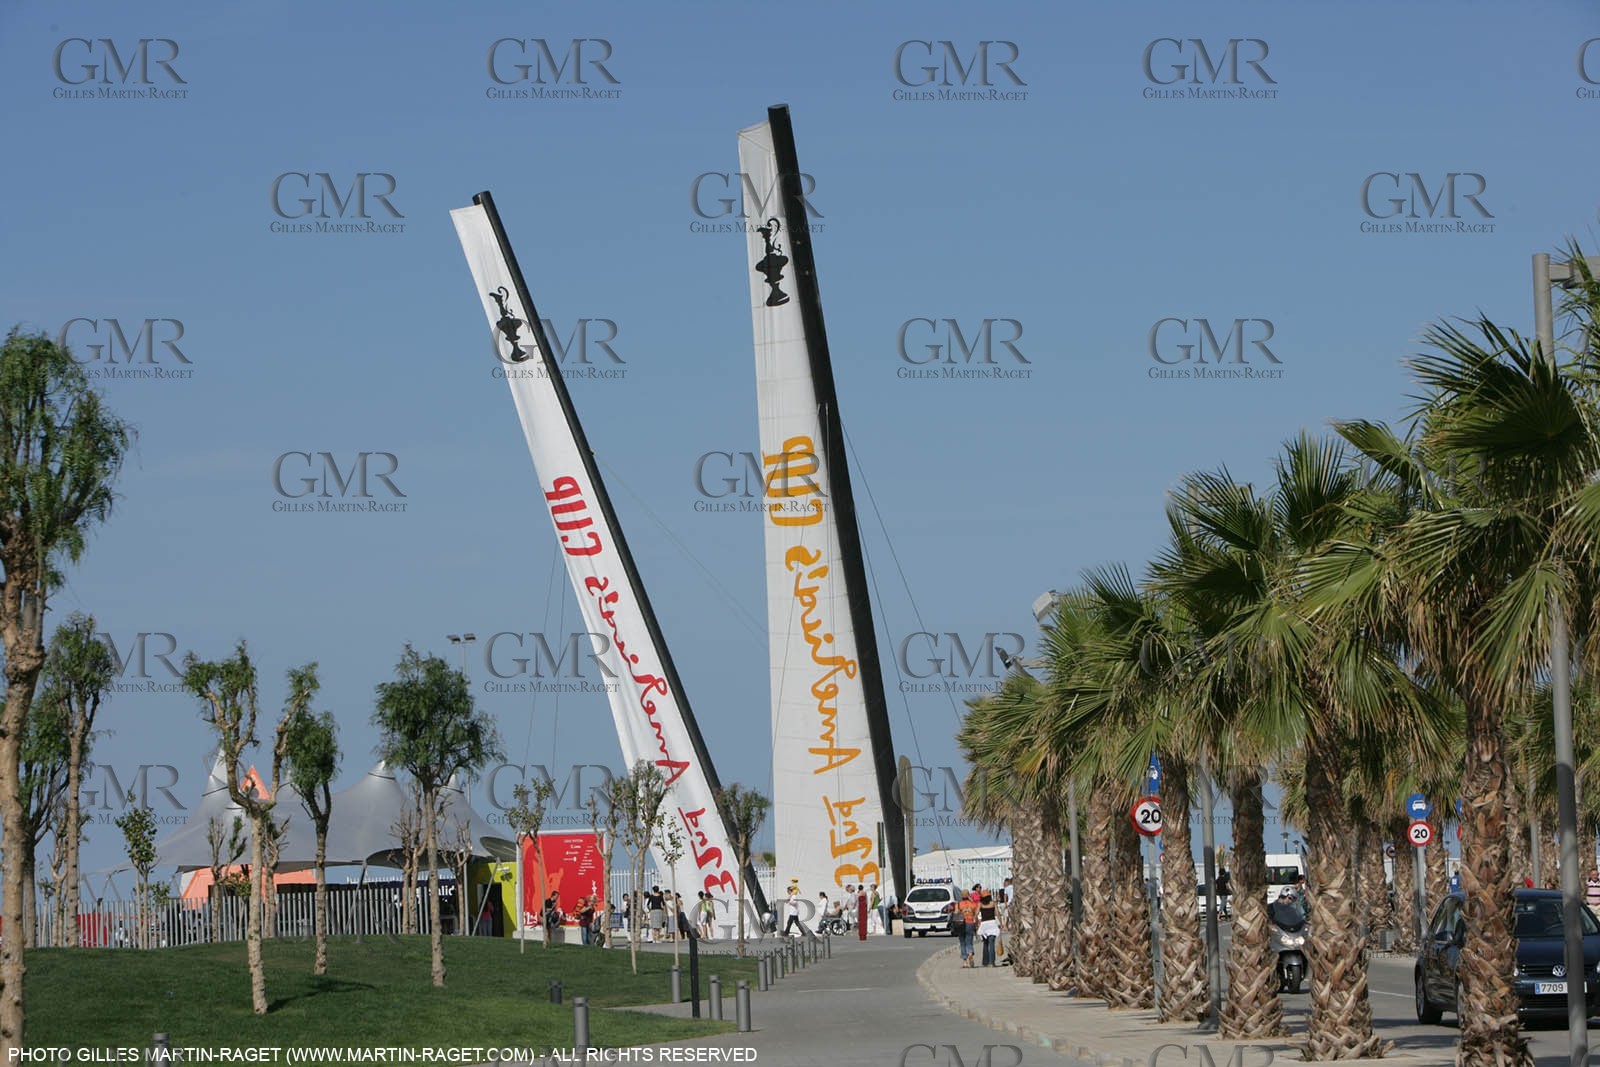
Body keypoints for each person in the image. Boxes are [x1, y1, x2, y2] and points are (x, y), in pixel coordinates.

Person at [956, 892, 980, 967]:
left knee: (962, 942)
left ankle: (965, 962)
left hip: (961, 924)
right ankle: (970, 953)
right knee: (969, 941)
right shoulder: (973, 904)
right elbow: (976, 914)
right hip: (970, 923)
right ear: (968, 896)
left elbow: (956, 912)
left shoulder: (959, 904)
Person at [977, 892, 1000, 966]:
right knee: (992, 943)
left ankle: (985, 962)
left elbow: (976, 913)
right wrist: (1001, 923)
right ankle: (992, 962)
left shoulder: (980, 904)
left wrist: (976, 924)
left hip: (984, 924)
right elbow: (997, 913)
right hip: (992, 924)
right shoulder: (993, 903)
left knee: (985, 943)